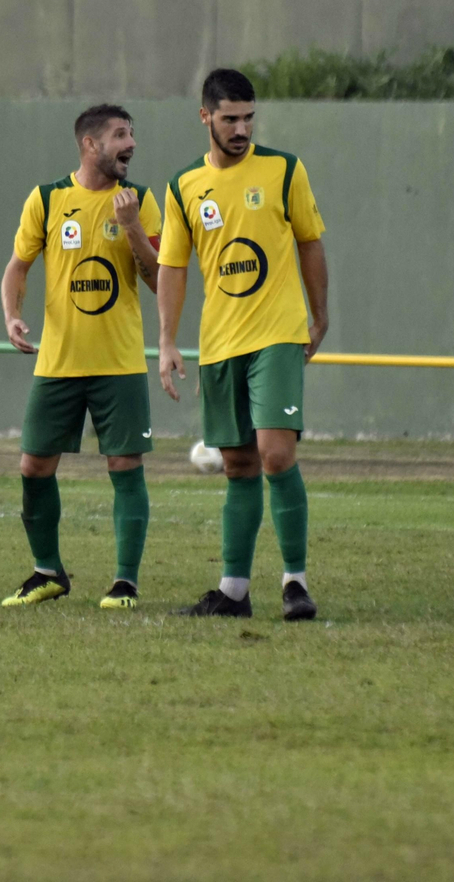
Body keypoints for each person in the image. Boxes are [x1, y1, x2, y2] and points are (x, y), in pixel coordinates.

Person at [157, 68, 329, 621]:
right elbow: (173, 268)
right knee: (236, 464)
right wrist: (165, 340)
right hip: (220, 341)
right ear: (205, 117)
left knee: (276, 454)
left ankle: (295, 583)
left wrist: (318, 314)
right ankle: (233, 591)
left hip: (277, 331)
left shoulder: (283, 169)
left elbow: (310, 242)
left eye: (249, 117)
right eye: (230, 118)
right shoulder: (184, 185)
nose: (241, 128)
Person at [0, 105, 161, 609]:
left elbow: (159, 277)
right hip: (59, 363)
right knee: (32, 467)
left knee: (125, 466)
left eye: (132, 134)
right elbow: (17, 267)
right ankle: (48, 572)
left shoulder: (141, 200)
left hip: (119, 362)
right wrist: (12, 315)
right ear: (90, 145)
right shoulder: (47, 199)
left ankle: (125, 584)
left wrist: (132, 226)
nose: (130, 143)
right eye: (119, 135)